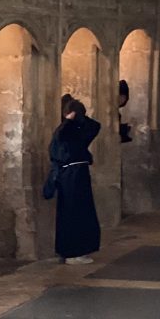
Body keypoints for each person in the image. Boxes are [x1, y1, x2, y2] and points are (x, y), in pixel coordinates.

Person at [48, 99, 101, 265]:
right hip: (69, 175)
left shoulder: (79, 130)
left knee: (82, 211)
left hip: (78, 173)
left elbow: (95, 126)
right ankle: (71, 251)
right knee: (71, 211)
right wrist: (70, 119)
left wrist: (77, 116)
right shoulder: (64, 131)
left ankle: (80, 249)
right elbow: (57, 149)